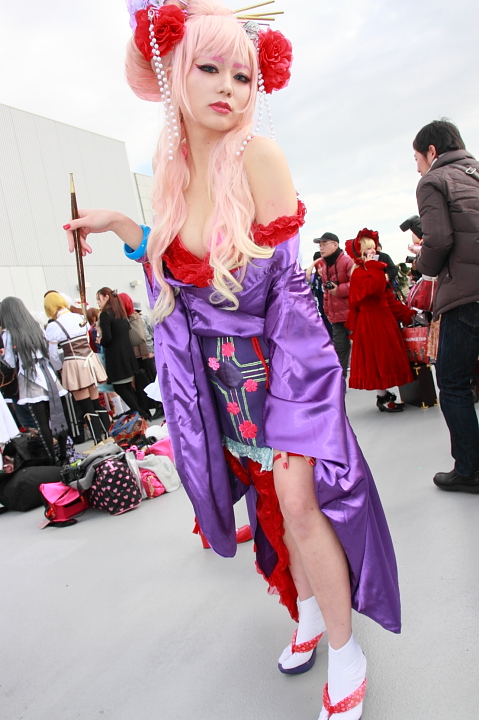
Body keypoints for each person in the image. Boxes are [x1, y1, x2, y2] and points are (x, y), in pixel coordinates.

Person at [63, 3, 401, 716]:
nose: (228, 87)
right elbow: (175, 265)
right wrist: (122, 225)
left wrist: (298, 406)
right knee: (269, 502)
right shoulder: (173, 168)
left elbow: (292, 299)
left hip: (282, 372)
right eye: (210, 69)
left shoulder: (258, 156)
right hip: (216, 383)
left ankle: (346, 648)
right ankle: (305, 612)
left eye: (243, 75)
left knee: (302, 505)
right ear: (175, 75)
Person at [413, 119, 479, 492]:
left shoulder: (434, 181)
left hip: (467, 296)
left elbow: (438, 240)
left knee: (453, 382)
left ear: (432, 151)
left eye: (417, 159)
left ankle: (469, 469)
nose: (417, 168)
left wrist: (422, 265)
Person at [346, 229, 415, 412]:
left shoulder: (373, 271)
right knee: (378, 360)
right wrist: (374, 267)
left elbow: (388, 298)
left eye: (373, 248)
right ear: (360, 253)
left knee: (386, 358)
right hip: (371, 323)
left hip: (384, 321)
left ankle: (384, 396)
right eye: (368, 249)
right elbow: (374, 289)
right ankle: (383, 396)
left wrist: (408, 314)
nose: (372, 252)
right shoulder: (359, 273)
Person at [0, 296, 69, 463]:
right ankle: (64, 456)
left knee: (42, 423)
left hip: (29, 376)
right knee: (57, 416)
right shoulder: (36, 326)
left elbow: (10, 362)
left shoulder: (8, 334)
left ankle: (53, 460)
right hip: (48, 373)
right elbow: (46, 349)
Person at [44, 292, 110, 445]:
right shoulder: (79, 317)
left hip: (74, 363)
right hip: (90, 360)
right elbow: (87, 339)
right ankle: (108, 435)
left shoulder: (54, 326)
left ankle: (98, 442)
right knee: (96, 402)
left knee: (86, 406)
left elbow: (53, 355)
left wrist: (60, 368)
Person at [96, 287, 148, 419]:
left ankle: (139, 413)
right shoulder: (120, 313)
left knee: (120, 387)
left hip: (116, 357)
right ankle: (141, 412)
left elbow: (108, 338)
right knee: (128, 387)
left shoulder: (105, 314)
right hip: (128, 355)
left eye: (99, 299)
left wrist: (101, 340)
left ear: (106, 297)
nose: (97, 302)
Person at [314, 232, 353, 378]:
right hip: (336, 317)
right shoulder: (324, 266)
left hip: (352, 315)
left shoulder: (347, 261)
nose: (321, 248)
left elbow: (357, 284)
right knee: (339, 351)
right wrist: (327, 311)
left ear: (335, 244)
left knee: (363, 349)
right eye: (320, 245)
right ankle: (340, 382)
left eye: (324, 244)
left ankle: (373, 379)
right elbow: (326, 293)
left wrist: (339, 290)